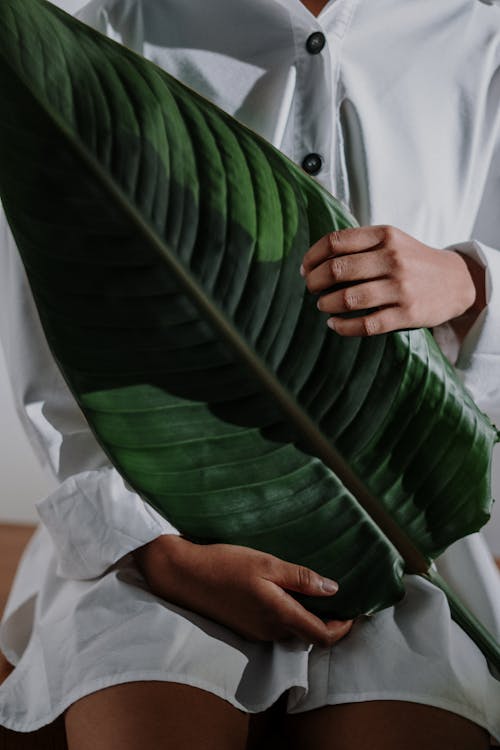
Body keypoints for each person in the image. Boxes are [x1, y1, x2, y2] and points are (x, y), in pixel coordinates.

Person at [0, 0, 500, 747]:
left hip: (403, 528)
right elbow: (46, 321)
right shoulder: (112, 14)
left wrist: (470, 283)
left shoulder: (476, 29)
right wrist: (155, 553)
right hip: (159, 518)